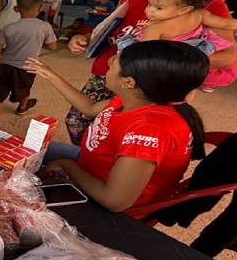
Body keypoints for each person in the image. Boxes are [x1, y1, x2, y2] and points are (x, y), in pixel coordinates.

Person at [65, 0, 237, 145]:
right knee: (78, 122)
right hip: (109, 72)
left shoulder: (204, 8)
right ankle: (87, 157)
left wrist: (155, 57)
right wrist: (84, 39)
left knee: (123, 133)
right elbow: (111, 32)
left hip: (147, 84)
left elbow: (227, 58)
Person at [26, 41, 209, 213]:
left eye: (113, 64)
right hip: (92, 163)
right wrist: (50, 75)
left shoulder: (148, 130)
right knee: (22, 147)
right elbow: (89, 108)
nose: (108, 65)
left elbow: (114, 201)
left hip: (104, 204)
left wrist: (67, 165)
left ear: (128, 82)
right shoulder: (139, 96)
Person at [117, 0, 237, 92]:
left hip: (165, 59)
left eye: (158, 8)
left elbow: (143, 55)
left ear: (184, 10)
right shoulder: (200, 14)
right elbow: (224, 23)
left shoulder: (155, 28)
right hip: (192, 52)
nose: (149, 11)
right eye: (149, 4)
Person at [0, 0, 57, 128]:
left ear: (16, 9)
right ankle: (22, 107)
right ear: (40, 8)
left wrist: (7, 50)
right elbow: (53, 47)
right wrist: (38, 43)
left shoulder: (8, 27)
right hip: (27, 67)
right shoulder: (45, 26)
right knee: (25, 88)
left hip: (4, 66)